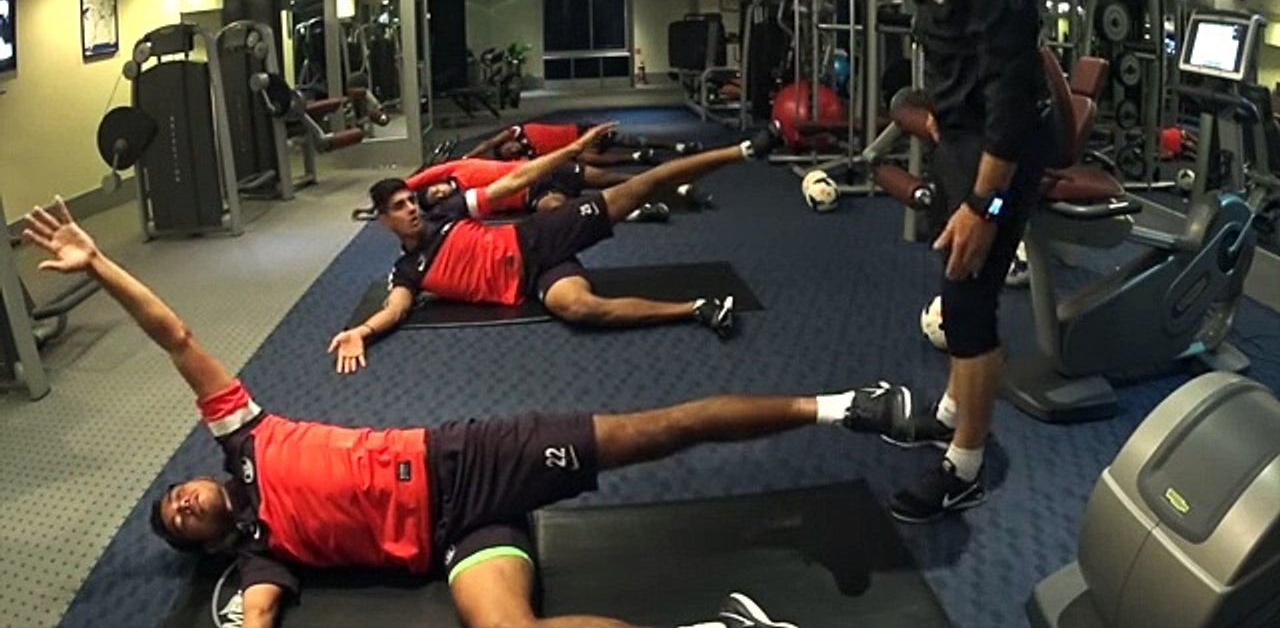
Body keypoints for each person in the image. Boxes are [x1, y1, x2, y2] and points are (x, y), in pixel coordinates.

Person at [20, 196, 913, 628]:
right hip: (456, 540)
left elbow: (175, 337)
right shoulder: (261, 557)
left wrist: (100, 266)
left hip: (463, 460)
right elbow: (256, 621)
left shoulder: (241, 436)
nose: (179, 502)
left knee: (661, 429)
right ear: (205, 543)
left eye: (174, 495)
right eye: (177, 523)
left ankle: (845, 405)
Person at [873, 0, 1061, 523]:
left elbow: (1013, 93)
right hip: (963, 137)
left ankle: (966, 467)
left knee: (969, 300)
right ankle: (954, 413)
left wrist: (985, 203)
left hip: (1001, 150)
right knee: (956, 288)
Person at [329, 123, 781, 374]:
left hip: (538, 236)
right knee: (580, 309)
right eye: (399, 207)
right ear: (384, 220)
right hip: (532, 281)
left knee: (639, 187)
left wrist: (573, 149)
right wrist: (362, 333)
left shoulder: (447, 212)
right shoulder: (407, 271)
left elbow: (512, 181)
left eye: (410, 201)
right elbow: (396, 310)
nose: (410, 209)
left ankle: (741, 150)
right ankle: (698, 308)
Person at [401, 157, 683, 222]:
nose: (437, 194)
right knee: (560, 210)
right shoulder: (464, 203)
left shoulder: (454, 169)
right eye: (434, 199)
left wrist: (386, 197)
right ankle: (637, 211)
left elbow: (415, 180)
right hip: (532, 195)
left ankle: (668, 185)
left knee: (605, 177)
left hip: (538, 169)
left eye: (433, 190)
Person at [463, 121, 704, 166]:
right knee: (588, 159)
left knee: (632, 140)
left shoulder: (519, 131)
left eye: (507, 147)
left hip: (584, 130)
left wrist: (468, 157)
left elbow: (489, 142)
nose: (511, 149)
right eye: (508, 153)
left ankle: (678, 146)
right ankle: (638, 158)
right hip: (579, 148)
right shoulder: (530, 158)